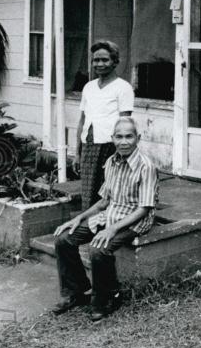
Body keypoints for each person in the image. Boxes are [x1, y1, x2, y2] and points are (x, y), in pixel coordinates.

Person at [52, 116, 158, 321]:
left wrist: (112, 229)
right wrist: (78, 218)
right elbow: (103, 202)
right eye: (119, 137)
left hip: (134, 220)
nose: (124, 141)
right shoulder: (111, 162)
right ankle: (75, 292)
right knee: (64, 238)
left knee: (98, 249)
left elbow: (144, 209)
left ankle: (108, 297)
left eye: (129, 136)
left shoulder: (146, 166)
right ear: (113, 138)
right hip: (110, 214)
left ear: (138, 138)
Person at [75, 41, 134, 210]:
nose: (99, 64)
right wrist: (77, 152)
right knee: (88, 190)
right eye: (96, 60)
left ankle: (106, 225)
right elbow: (82, 120)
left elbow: (125, 123)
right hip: (89, 144)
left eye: (105, 60)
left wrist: (122, 152)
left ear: (115, 62)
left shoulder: (123, 88)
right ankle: (88, 226)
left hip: (110, 146)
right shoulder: (89, 87)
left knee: (109, 188)